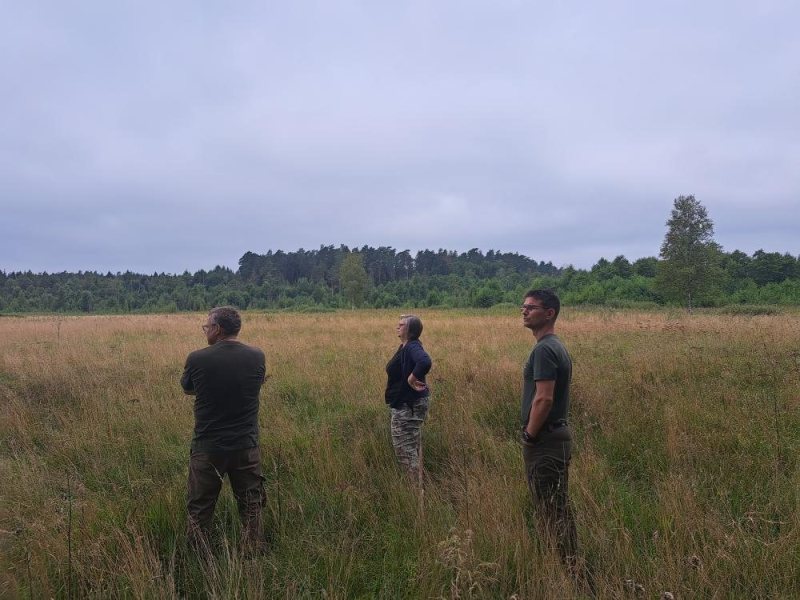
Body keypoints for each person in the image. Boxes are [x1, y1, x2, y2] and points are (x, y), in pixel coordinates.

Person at [181, 306, 267, 552]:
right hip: (246, 445)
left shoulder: (197, 358)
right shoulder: (257, 356)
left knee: (200, 506)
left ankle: (198, 555)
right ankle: (252, 551)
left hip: (208, 446)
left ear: (217, 329)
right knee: (251, 503)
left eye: (207, 326)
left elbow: (188, 389)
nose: (205, 330)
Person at [519, 289, 579, 568]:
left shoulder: (544, 349)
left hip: (545, 440)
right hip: (554, 437)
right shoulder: (555, 345)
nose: (524, 310)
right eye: (523, 306)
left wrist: (529, 435)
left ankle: (568, 570)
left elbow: (544, 398)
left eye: (531, 307)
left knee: (552, 510)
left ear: (549, 313)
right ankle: (564, 565)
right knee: (555, 506)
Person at [384, 314, 432, 483]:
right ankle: (418, 487)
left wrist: (411, 379)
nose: (397, 326)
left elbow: (425, 361)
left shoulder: (412, 347)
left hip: (408, 406)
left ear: (411, 330)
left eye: (402, 324)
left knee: (405, 450)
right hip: (407, 404)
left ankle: (414, 490)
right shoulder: (406, 346)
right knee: (412, 447)